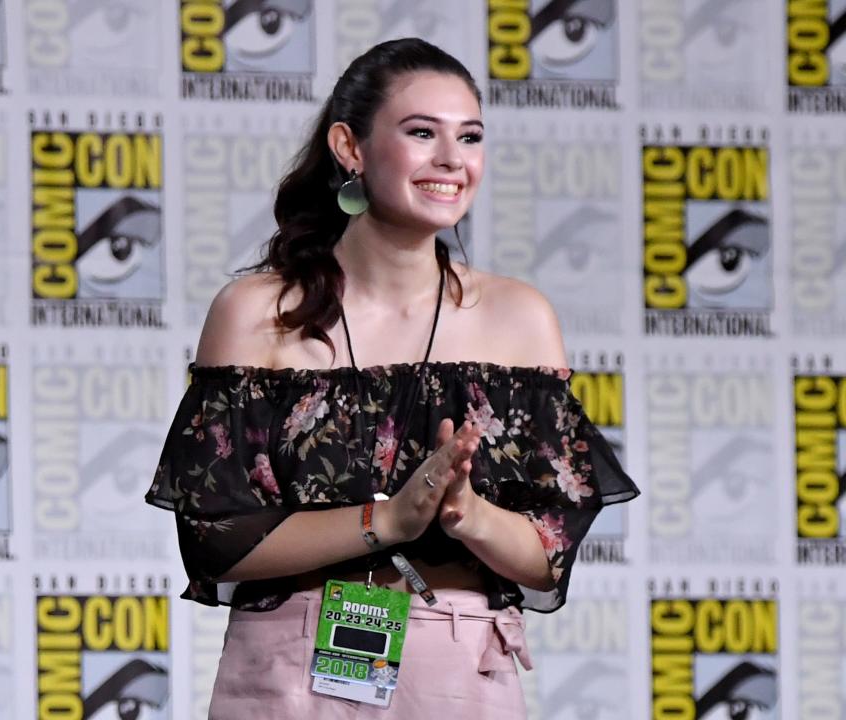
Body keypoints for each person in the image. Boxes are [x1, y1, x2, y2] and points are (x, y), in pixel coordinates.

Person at [146, 38, 638, 719]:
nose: (451, 160)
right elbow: (216, 536)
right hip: (289, 669)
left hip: (457, 670)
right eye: (420, 133)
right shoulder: (257, 313)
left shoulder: (519, 317)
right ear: (350, 147)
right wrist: (390, 518)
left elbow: (547, 552)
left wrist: (470, 516)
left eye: (469, 136)